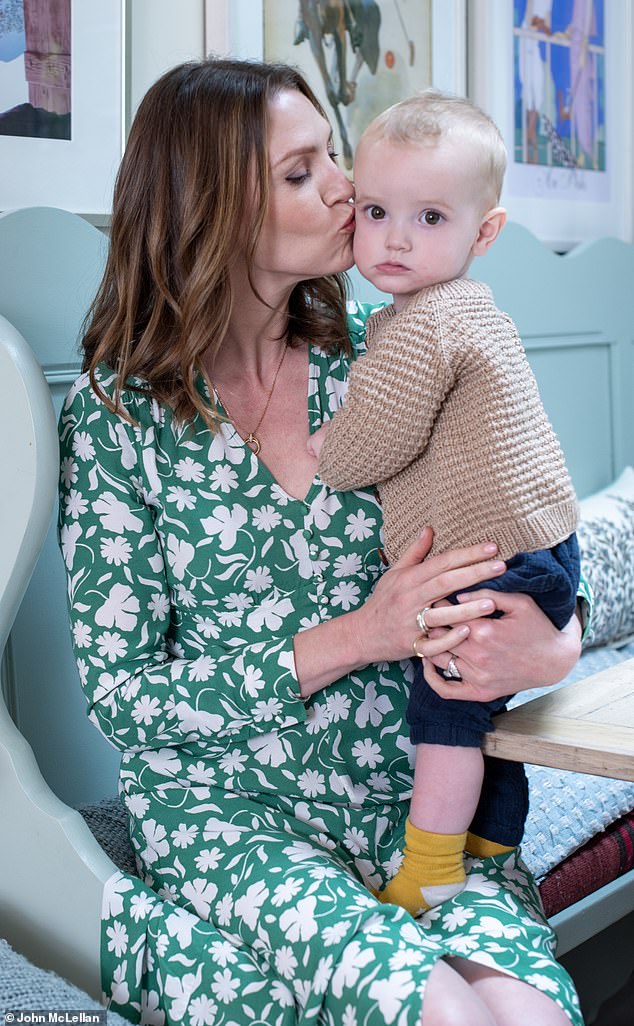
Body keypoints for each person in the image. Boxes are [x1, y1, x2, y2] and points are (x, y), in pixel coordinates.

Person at [58, 58, 586, 1026]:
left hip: (415, 798)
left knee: (532, 1017)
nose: (347, 187)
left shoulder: (398, 354)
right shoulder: (118, 420)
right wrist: (359, 634)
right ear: (211, 209)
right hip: (232, 818)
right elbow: (124, 698)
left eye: (332, 154)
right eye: (301, 173)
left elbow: (529, 523)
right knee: (443, 1016)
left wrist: (557, 640)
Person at [310, 89, 580, 921]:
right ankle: (494, 840)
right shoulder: (465, 310)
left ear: (483, 233)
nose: (394, 238)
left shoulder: (422, 323)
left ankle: (430, 867)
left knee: (447, 713)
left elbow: (373, 440)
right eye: (378, 210)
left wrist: (330, 450)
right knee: (481, 707)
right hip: (542, 543)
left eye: (430, 218)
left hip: (490, 552)